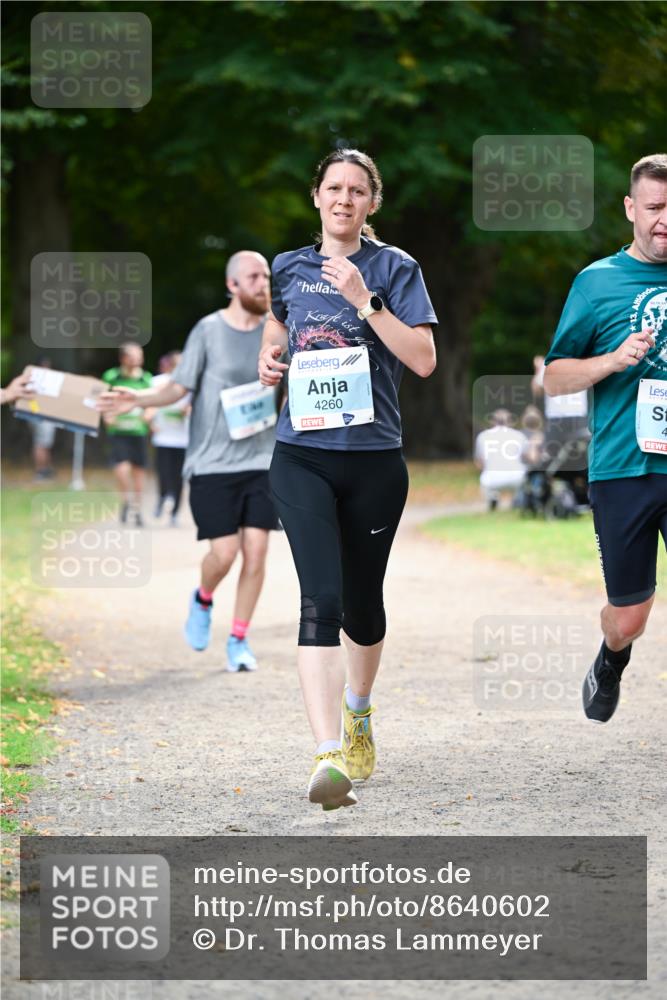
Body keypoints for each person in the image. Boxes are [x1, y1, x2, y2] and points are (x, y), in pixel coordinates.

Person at [259, 148, 437, 810]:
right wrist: (268, 359)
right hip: (300, 453)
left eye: (356, 190)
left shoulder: (396, 269)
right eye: (332, 188)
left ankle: (358, 712)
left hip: (372, 460)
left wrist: (365, 303)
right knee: (319, 600)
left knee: (362, 607)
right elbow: (278, 327)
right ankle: (327, 751)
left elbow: (422, 360)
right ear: (316, 197)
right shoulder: (288, 267)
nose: (342, 199)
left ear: (371, 203)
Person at [98, 251, 279, 673]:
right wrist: (136, 398)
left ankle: (238, 638)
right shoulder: (209, 330)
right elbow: (178, 388)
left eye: (266, 276)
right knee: (225, 552)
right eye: (253, 277)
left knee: (256, 550)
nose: (262, 283)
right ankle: (202, 597)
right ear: (232, 285)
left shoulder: (279, 329)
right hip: (212, 462)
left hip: (262, 459)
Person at [543, 153, 667, 723]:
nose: (664, 218)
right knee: (630, 614)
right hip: (624, 467)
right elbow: (556, 376)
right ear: (630, 209)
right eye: (655, 207)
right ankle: (611, 659)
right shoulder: (597, 282)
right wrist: (612, 361)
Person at [101, 343, 154, 526]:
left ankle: (138, 509)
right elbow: (101, 398)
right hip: (118, 431)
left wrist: (149, 414)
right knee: (122, 470)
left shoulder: (146, 378)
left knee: (139, 472)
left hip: (138, 432)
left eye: (140, 355)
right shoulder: (111, 376)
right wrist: (106, 415)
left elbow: (152, 401)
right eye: (133, 356)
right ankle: (126, 501)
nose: (138, 359)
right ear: (123, 358)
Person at [150, 351, 190, 526]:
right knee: (163, 473)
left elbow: (195, 404)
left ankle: (174, 514)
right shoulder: (157, 382)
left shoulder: (190, 383)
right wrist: (151, 424)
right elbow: (150, 403)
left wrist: (188, 410)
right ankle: (162, 497)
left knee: (179, 477)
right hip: (163, 437)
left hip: (182, 438)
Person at [473, 408, 528, 511]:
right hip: (516, 477)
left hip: (492, 478)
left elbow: (479, 462)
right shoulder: (519, 436)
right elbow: (526, 457)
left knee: (484, 479)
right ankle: (517, 500)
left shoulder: (483, 436)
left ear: (493, 421)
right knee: (523, 476)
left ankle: (493, 498)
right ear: (510, 421)